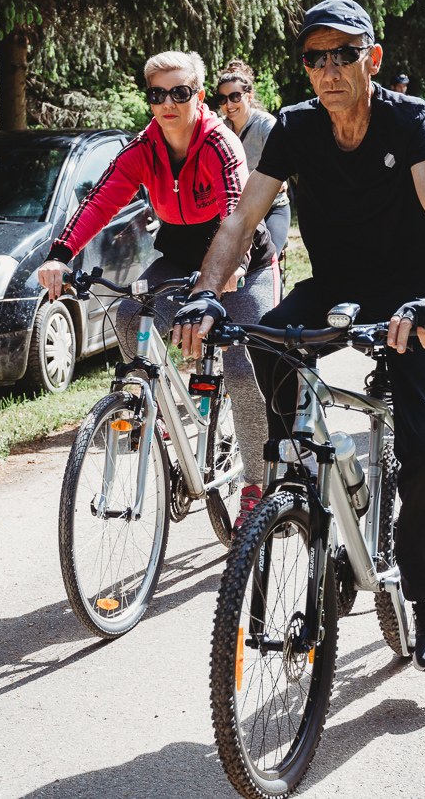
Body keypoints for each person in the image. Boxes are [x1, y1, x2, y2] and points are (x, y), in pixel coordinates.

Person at [171, 0, 425, 672]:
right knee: (267, 338)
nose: (329, 69)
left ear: (373, 58)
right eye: (315, 57)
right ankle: (307, 496)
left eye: (344, 54)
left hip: (415, 299)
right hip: (335, 287)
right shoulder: (298, 128)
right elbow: (241, 219)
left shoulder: (408, 118)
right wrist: (203, 296)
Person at [37, 52, 278, 527]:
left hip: (241, 260)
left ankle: (256, 483)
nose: (168, 103)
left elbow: (236, 211)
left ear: (199, 96)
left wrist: (233, 268)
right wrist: (60, 254)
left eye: (180, 92)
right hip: (183, 258)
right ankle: (159, 408)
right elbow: (100, 201)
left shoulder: (221, 144)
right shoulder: (142, 149)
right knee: (130, 315)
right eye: (157, 94)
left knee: (243, 368)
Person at [214, 59, 291, 260]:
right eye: (223, 99)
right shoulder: (220, 129)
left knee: (267, 259)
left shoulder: (266, 125)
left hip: (272, 208)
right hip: (236, 212)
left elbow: (281, 168)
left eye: (235, 96)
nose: (229, 104)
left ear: (249, 96)